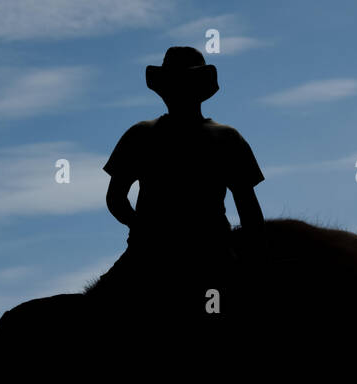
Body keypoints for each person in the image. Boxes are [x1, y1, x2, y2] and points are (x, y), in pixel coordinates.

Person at [100, 46, 266, 306]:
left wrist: (144, 230)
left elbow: (116, 199)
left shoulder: (141, 134)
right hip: (211, 256)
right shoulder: (227, 138)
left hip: (151, 258)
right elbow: (250, 212)